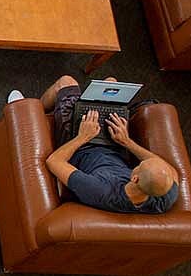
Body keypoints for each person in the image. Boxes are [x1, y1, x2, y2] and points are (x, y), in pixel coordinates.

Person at [18, 76, 180, 214]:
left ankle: (29, 109)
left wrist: (83, 136)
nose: (141, 161)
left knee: (66, 82)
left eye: (141, 164)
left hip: (79, 147)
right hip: (115, 146)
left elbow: (54, 161)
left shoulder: (99, 190)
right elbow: (172, 173)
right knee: (111, 84)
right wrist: (127, 142)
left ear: (135, 178)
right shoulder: (162, 198)